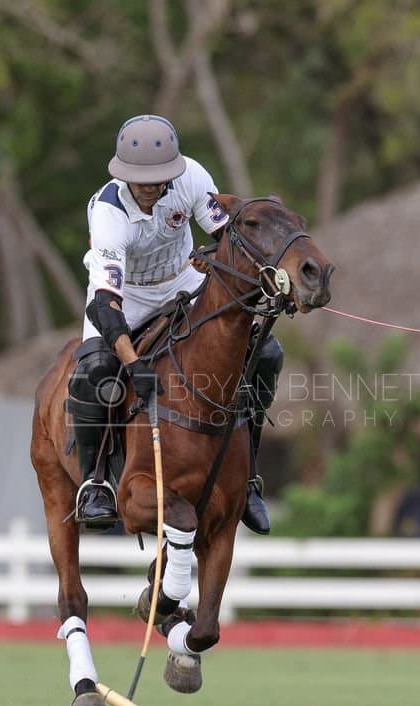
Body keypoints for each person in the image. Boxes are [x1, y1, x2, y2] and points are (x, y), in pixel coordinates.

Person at [67, 114, 282, 534]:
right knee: (93, 373)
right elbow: (107, 303)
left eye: (157, 177)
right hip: (124, 295)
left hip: (184, 279)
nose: (148, 186)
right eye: (139, 178)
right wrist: (133, 365)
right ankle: (95, 483)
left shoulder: (192, 178)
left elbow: (228, 234)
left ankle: (250, 478)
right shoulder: (108, 212)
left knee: (267, 355)